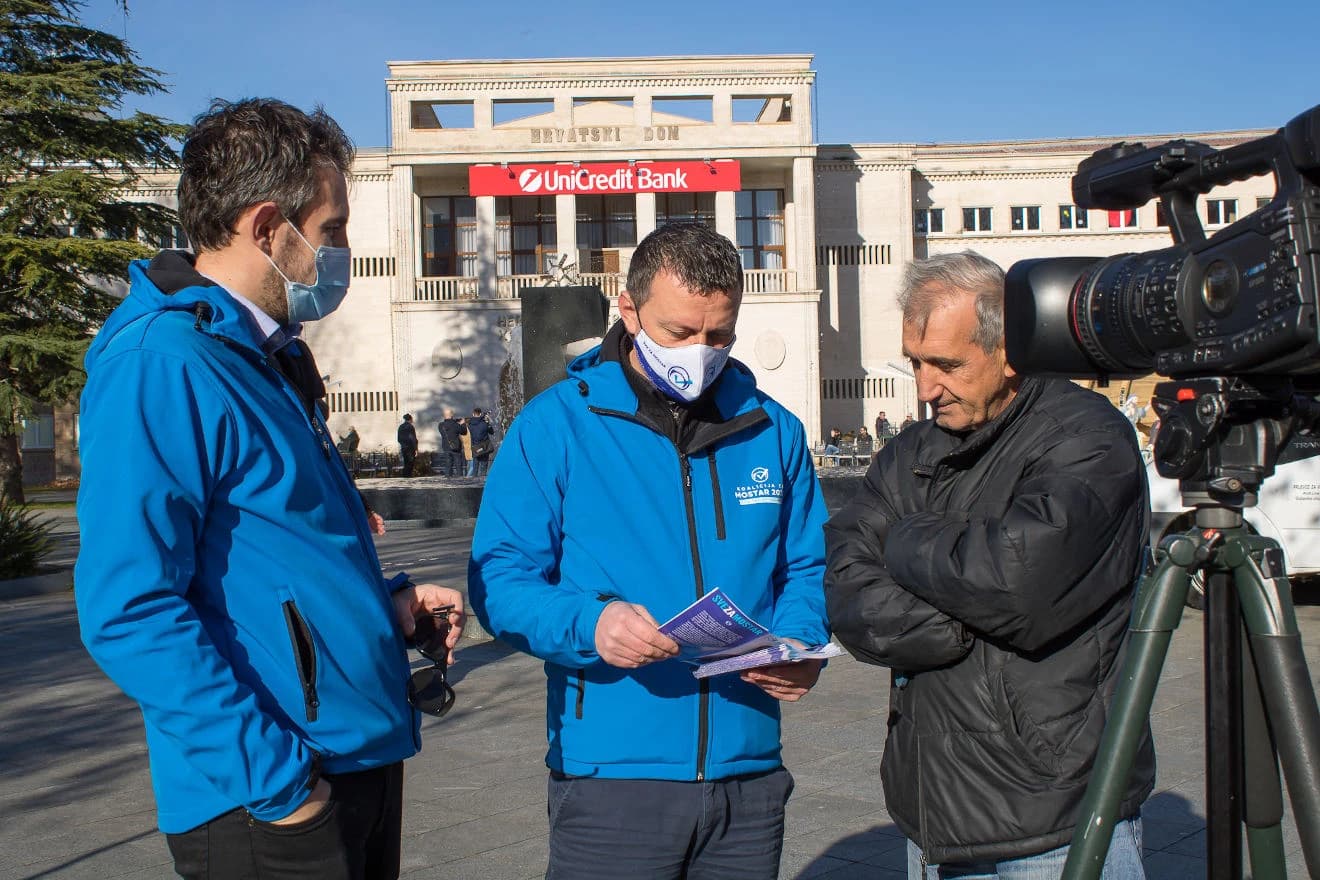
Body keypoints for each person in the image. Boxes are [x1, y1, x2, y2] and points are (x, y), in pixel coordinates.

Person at [74, 98, 466, 880]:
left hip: (347, 755)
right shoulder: (166, 363)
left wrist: (381, 609)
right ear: (266, 228)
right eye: (334, 231)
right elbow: (129, 606)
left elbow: (277, 545)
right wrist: (281, 785)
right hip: (270, 796)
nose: (344, 252)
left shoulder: (263, 353)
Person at [469, 221, 830, 879]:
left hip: (747, 775)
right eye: (679, 333)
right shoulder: (555, 426)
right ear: (628, 309)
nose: (700, 351)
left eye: (719, 335)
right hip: (612, 774)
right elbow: (499, 577)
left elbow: (806, 566)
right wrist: (591, 624)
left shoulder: (775, 430)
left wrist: (800, 644)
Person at [823, 250, 1154, 879]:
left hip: (1054, 815)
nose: (924, 388)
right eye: (915, 362)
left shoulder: (1085, 438)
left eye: (946, 365)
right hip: (931, 813)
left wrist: (908, 538)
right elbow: (845, 582)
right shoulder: (909, 452)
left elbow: (1015, 585)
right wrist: (954, 617)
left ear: (1010, 353)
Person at [438, 407, 467, 477]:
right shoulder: (456, 425)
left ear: (444, 415)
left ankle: (448, 478)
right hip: (456, 447)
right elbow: (464, 432)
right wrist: (463, 424)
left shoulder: (440, 425)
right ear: (451, 415)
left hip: (446, 447)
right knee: (458, 464)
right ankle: (460, 479)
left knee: (448, 464)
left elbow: (449, 427)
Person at [466, 406, 495, 477]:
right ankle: (482, 482)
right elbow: (492, 432)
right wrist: (487, 421)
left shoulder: (469, 424)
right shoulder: (484, 423)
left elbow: (475, 423)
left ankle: (474, 481)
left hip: (475, 447)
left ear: (473, 414)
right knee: (484, 465)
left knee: (475, 465)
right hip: (484, 446)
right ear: (480, 413)